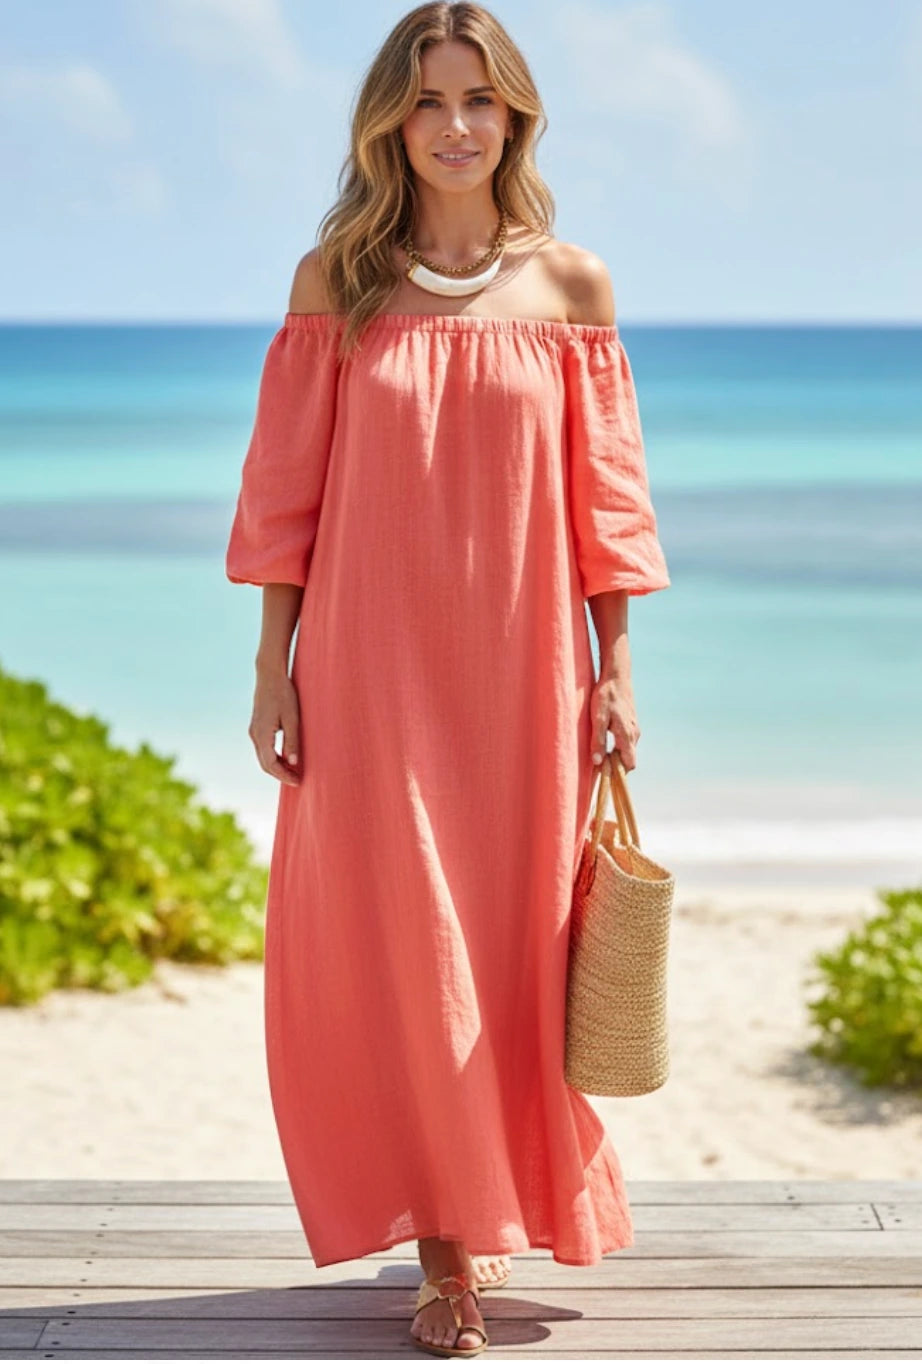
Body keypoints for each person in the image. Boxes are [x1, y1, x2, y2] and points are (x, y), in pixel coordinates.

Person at [225, 3, 671, 1356]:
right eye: (428, 100)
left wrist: (615, 670)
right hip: (367, 667)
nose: (455, 125)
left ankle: (491, 1206)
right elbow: (285, 496)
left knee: (514, 947)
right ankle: (444, 1252)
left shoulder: (573, 289)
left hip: (525, 673)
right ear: (390, 122)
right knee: (406, 950)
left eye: (479, 99)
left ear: (515, 116)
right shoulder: (338, 283)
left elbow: (607, 506)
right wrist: (272, 668)